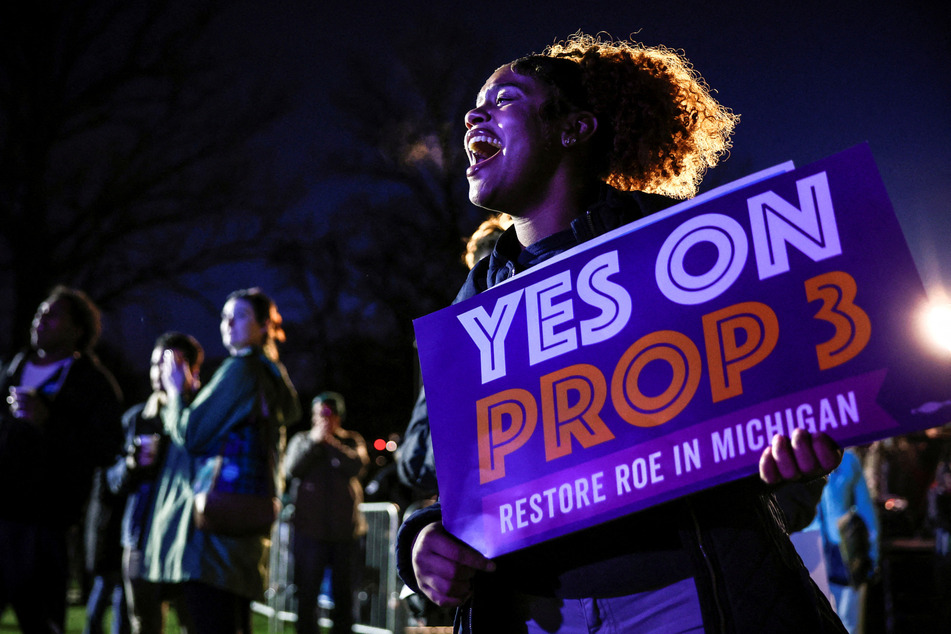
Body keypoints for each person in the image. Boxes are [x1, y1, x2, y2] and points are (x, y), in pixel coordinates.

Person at [395, 33, 846, 632]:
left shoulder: (686, 246)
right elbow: (455, 480)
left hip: (688, 604)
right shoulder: (474, 298)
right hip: (528, 612)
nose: (475, 113)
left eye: (504, 97)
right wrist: (420, 540)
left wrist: (794, 457)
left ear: (573, 130)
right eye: (477, 103)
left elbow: (777, 398)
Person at [143, 288, 302, 633]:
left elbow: (192, 434)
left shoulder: (241, 369)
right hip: (246, 530)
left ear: (264, 326)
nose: (228, 322)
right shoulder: (271, 373)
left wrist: (175, 392)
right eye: (225, 315)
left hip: (216, 538)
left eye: (241, 315)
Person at [0, 285, 124, 633]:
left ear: (77, 329)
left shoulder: (92, 383)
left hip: (46, 521)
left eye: (53, 315)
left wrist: (48, 422)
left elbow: (106, 447)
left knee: (39, 618)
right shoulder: (14, 367)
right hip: (3, 509)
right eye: (40, 312)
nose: (41, 320)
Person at [398, 212, 514, 499]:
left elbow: (416, 464)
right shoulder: (455, 343)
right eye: (481, 274)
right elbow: (416, 462)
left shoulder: (455, 341)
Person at [106, 333, 204, 634]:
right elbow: (111, 481)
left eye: (172, 364)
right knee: (143, 623)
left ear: (193, 371)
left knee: (195, 622)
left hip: (186, 539)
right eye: (154, 364)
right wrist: (132, 464)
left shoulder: (201, 418)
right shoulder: (137, 419)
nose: (160, 372)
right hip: (139, 538)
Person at [285, 391, 369, 634]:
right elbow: (292, 469)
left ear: (338, 417)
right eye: (320, 413)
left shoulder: (351, 440)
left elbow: (357, 466)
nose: (324, 419)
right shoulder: (302, 440)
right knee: (307, 593)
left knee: (344, 596)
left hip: (345, 534)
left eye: (329, 414)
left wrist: (331, 443)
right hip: (309, 532)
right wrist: (314, 442)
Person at [810, 449, 880, 633]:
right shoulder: (807, 458)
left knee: (849, 622)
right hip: (817, 553)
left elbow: (866, 511)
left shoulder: (848, 461)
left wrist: (871, 555)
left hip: (846, 552)